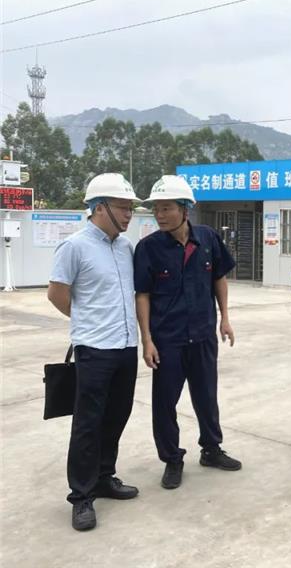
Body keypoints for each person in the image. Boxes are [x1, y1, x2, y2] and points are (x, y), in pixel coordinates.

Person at [134, 175, 240, 491]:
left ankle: (211, 449)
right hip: (168, 340)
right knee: (165, 403)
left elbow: (219, 277)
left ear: (185, 209)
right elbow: (143, 295)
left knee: (206, 396)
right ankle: (172, 459)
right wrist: (147, 340)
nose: (160, 215)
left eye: (166, 208)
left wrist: (225, 318)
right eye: (156, 209)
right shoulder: (148, 248)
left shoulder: (207, 238)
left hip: (203, 335)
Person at [47, 173, 141, 531]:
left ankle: (104, 477)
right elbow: (57, 293)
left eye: (131, 208)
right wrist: (86, 321)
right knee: (88, 423)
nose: (129, 214)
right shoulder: (74, 246)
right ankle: (81, 496)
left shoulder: (125, 247)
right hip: (94, 349)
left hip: (126, 346)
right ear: (99, 207)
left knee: (117, 415)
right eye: (123, 207)